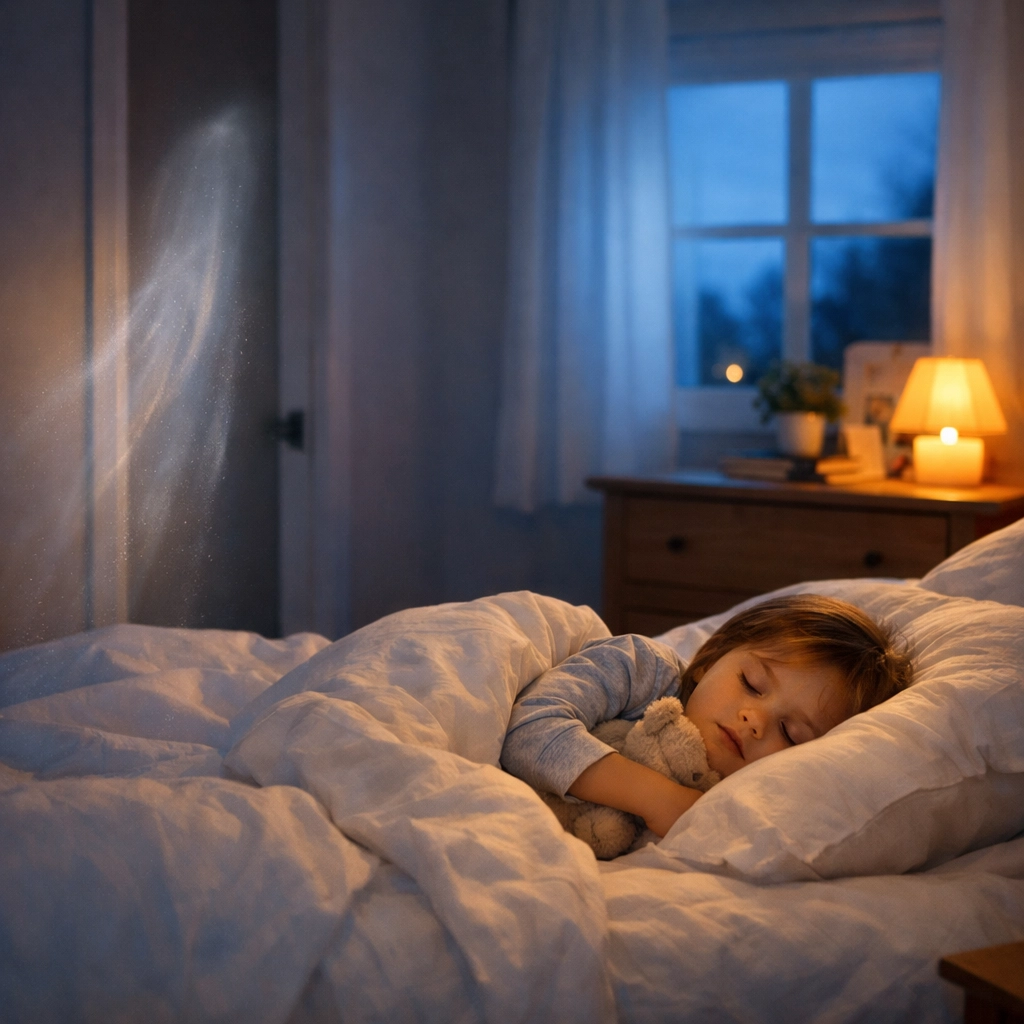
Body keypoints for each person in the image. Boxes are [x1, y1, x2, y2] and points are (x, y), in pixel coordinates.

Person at [501, 594, 913, 839]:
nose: (755, 719)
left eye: (791, 733)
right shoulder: (642, 668)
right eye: (752, 683)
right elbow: (528, 730)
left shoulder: (743, 800)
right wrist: (657, 798)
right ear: (709, 661)